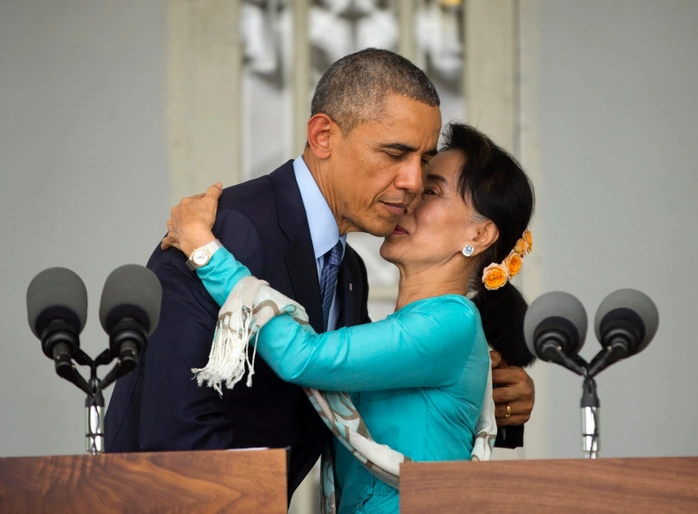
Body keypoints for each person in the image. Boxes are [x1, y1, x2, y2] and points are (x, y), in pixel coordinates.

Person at [104, 48, 534, 500]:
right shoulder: (225, 229)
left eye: (424, 163)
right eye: (395, 153)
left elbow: (356, 393)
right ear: (323, 135)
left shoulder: (348, 270)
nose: (410, 181)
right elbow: (175, 417)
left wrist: (498, 402)